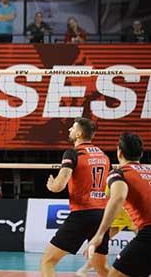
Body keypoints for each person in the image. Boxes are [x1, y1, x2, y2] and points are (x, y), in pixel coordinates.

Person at [41, 117, 110, 277]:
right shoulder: (104, 156)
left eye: (72, 128)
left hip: (82, 214)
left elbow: (59, 186)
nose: (69, 130)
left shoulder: (72, 153)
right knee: (103, 269)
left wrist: (51, 185)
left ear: (79, 133)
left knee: (47, 261)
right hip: (101, 215)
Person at [86, 132, 151, 277]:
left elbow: (118, 198)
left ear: (119, 152)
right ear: (141, 154)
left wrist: (100, 234)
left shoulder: (119, 173)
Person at [76, 208, 135, 277]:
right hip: (121, 209)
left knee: (145, 239)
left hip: (134, 209)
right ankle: (86, 268)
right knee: (102, 240)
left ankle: (85, 268)